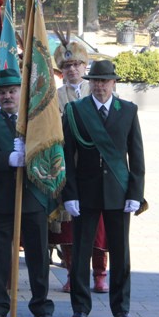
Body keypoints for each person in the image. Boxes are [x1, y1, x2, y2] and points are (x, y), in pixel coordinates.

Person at [62, 60, 145, 317]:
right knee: (80, 252)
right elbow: (67, 157)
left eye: (105, 81)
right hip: (85, 192)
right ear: (90, 83)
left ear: (114, 83)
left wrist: (135, 192)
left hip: (118, 192)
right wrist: (70, 193)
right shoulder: (75, 111)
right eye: (96, 81)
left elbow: (137, 156)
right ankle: (80, 308)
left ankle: (121, 308)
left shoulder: (128, 111)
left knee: (120, 253)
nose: (100, 86)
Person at [0, 69, 56, 317]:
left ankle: (41, 306)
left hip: (33, 196)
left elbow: (53, 150)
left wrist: (30, 158)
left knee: (38, 255)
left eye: (12, 91)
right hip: (1, 197)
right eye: (2, 92)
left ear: (22, 93)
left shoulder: (37, 119)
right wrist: (7, 159)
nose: (7, 96)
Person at [50, 39, 109, 295]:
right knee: (69, 227)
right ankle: (74, 274)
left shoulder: (98, 91)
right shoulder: (54, 97)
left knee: (98, 226)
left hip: (94, 168)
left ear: (85, 66)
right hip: (66, 166)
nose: (72, 69)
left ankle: (99, 274)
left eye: (76, 64)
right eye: (67, 65)